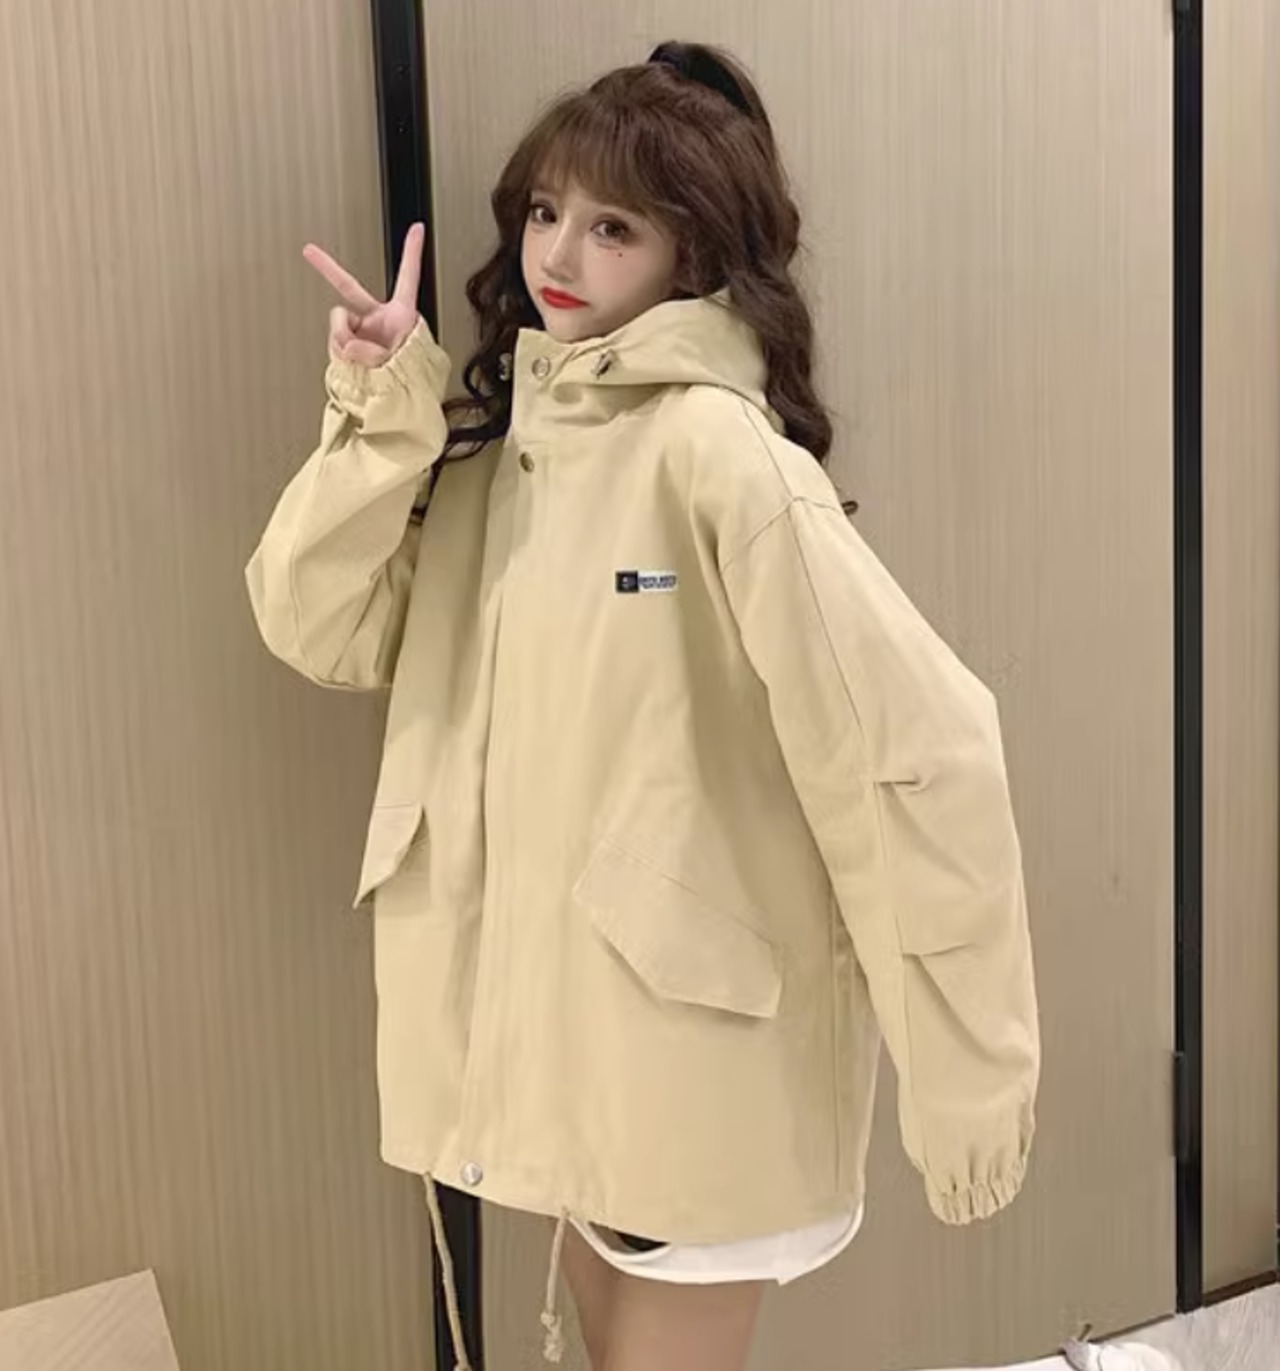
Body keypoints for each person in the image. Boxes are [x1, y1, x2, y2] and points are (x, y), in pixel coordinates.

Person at [245, 39, 1040, 1371]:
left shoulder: (718, 456)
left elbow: (914, 754)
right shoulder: (502, 460)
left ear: (692, 253)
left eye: (613, 226)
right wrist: (382, 413)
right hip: (574, 1059)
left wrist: (972, 1089)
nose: (560, 252)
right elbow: (318, 625)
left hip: (692, 1073)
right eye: (546, 210)